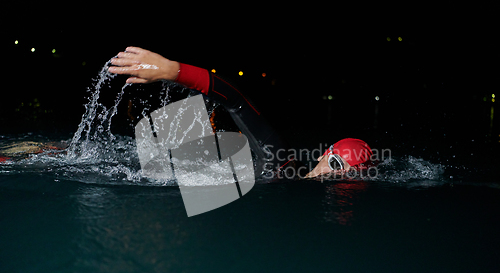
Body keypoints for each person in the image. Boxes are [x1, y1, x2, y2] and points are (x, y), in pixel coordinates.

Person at [107, 47, 373, 179]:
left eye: (348, 178)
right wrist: (172, 70)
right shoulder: (282, 165)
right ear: (326, 154)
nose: (334, 176)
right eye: (336, 165)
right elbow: (237, 99)